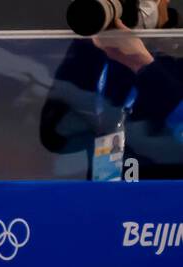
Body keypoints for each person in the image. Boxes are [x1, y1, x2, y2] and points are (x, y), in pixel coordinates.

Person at [41, 1, 183, 180]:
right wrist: (89, 46)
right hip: (106, 195)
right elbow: (52, 137)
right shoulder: (95, 48)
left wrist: (143, 64)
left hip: (169, 197)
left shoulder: (179, 47)